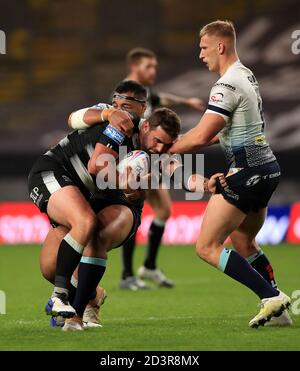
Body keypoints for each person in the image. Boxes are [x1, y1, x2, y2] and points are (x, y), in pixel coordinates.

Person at [168, 20, 291, 328]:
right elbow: (216, 135)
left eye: (204, 47)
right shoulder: (246, 74)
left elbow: (200, 136)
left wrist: (166, 151)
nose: (200, 55)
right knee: (244, 239)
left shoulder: (226, 84)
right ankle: (281, 313)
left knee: (207, 247)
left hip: (247, 172)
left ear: (220, 46)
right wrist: (179, 143)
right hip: (266, 169)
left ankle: (271, 296)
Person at [120, 48, 206, 290]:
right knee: (132, 210)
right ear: (135, 67)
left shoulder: (145, 94)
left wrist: (186, 101)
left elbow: (161, 99)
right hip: (132, 163)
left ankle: (147, 266)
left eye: (155, 66)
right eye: (149, 66)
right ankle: (127, 274)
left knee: (163, 210)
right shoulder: (127, 94)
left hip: (150, 160)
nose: (153, 71)